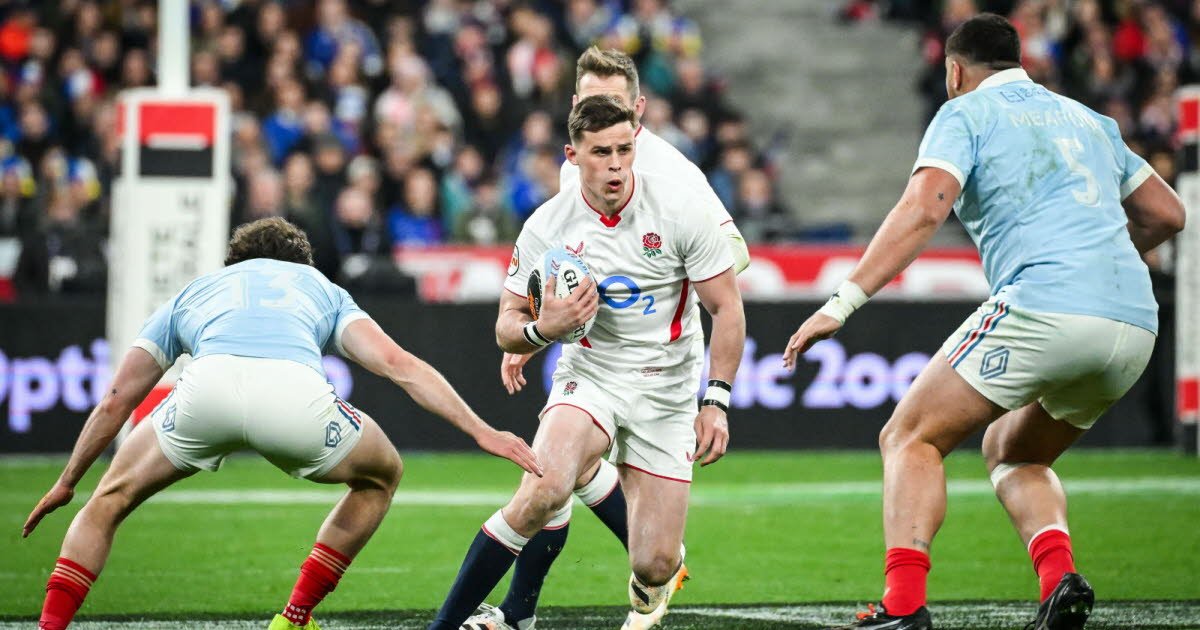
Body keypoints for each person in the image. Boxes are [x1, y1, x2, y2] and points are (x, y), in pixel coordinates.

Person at [782, 14, 1185, 630]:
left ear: (954, 71)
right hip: (1134, 323)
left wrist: (839, 304)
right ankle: (1059, 579)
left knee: (909, 437)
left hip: (1046, 304)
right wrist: (1097, 258)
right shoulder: (1089, 119)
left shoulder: (965, 112)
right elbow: (1168, 214)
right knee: (1013, 452)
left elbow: (923, 210)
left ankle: (903, 606)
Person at [21, 217, 542, 630]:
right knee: (382, 474)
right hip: (295, 400)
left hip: (206, 393)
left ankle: (50, 626)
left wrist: (67, 481)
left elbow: (116, 400)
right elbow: (398, 365)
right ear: (301, 262)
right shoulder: (320, 286)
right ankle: (293, 619)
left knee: (105, 501)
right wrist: (481, 430)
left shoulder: (198, 289)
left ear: (235, 263)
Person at [429, 95, 745, 630]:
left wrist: (715, 400)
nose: (617, 164)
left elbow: (727, 308)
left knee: (655, 563)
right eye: (602, 153)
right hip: (590, 375)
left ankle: (644, 571)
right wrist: (542, 331)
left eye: (625, 150)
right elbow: (507, 325)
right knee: (543, 491)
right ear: (573, 156)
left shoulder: (680, 208)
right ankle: (449, 625)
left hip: (667, 390)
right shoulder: (548, 224)